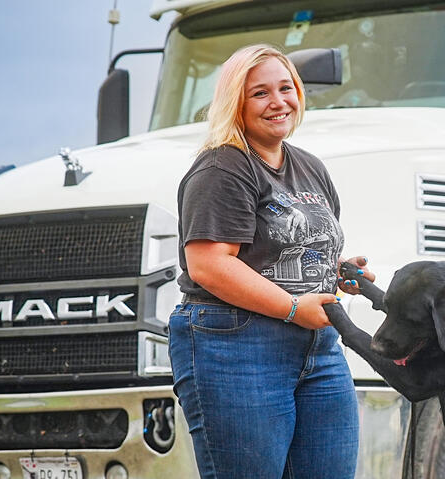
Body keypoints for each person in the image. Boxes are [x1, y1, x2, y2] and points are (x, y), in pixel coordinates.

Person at [169, 44, 375, 479]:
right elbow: (208, 265)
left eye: (286, 88)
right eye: (260, 93)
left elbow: (292, 251)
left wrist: (338, 272)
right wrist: (296, 308)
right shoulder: (223, 167)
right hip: (235, 346)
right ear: (236, 104)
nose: (278, 102)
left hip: (317, 349)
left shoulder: (310, 167)